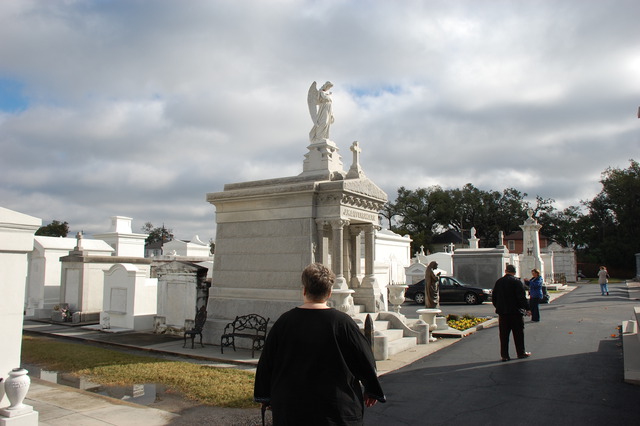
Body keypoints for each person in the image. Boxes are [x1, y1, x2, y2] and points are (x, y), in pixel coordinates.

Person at [254, 263, 385, 425]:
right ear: (329, 293)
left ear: (304, 290)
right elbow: (364, 358)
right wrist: (371, 388)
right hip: (336, 410)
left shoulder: (284, 322)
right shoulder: (343, 323)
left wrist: (265, 396)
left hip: (293, 409)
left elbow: (266, 363)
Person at [492, 264, 531, 362]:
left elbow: (494, 297)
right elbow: (521, 297)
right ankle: (520, 353)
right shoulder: (517, 282)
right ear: (514, 272)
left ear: (506, 271)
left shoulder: (499, 282)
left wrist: (499, 307)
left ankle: (504, 355)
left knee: (504, 335)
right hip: (515, 312)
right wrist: (527, 308)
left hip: (503, 313)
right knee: (518, 334)